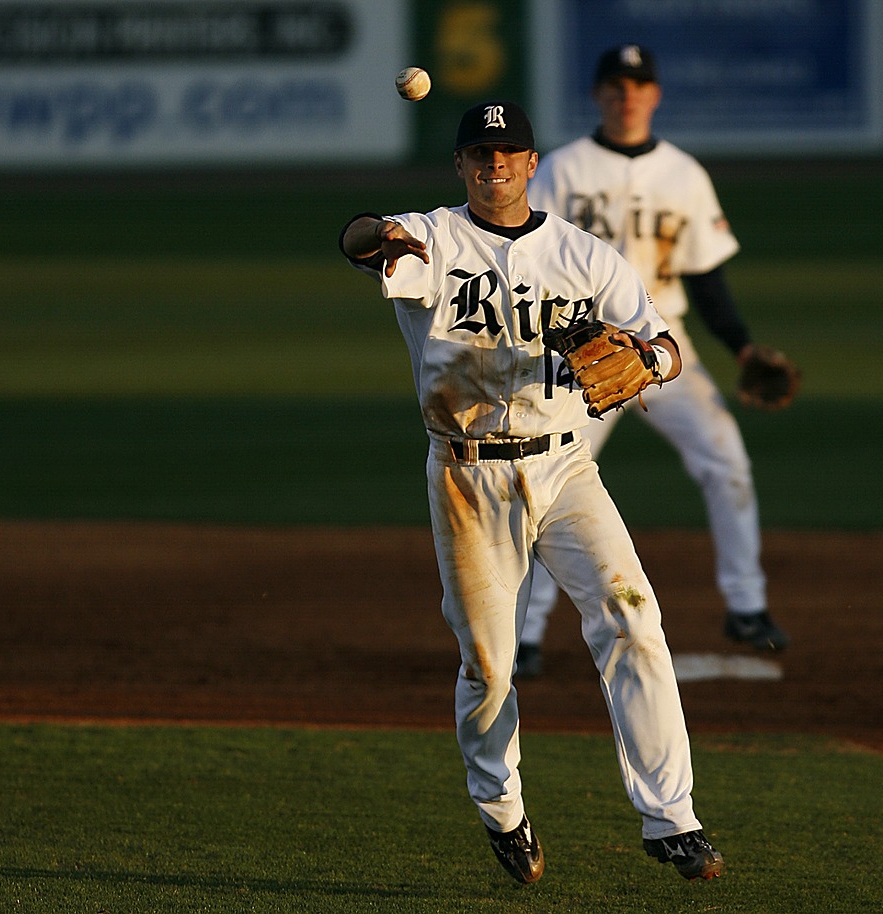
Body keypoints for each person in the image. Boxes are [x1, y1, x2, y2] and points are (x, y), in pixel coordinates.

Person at [339, 100, 725, 882]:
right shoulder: (434, 236)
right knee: (489, 665)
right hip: (466, 476)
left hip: (566, 467)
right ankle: (502, 808)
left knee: (632, 614)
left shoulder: (587, 256)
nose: (495, 166)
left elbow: (668, 345)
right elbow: (362, 243)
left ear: (531, 162)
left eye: (508, 153)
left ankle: (672, 818)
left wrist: (648, 362)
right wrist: (380, 236)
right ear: (461, 167)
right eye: (480, 155)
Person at [517, 43, 792, 679]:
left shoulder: (684, 174)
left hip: (665, 349)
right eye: (616, 85)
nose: (627, 96)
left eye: (639, 85)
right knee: (547, 480)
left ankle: (746, 606)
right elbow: (532, 262)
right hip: (581, 350)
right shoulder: (562, 169)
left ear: (655, 95)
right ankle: (524, 633)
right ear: (598, 95)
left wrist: (743, 346)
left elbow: (707, 279)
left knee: (727, 459)